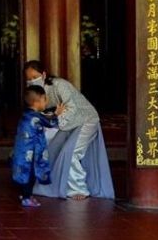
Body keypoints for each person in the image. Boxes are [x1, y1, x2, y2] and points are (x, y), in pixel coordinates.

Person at [23, 60, 109, 200]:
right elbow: (41, 114)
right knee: (53, 149)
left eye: (35, 77)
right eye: (29, 79)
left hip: (86, 119)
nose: (32, 81)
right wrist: (54, 117)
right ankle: (57, 185)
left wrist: (57, 119)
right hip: (67, 123)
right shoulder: (35, 93)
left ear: (44, 74)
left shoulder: (59, 85)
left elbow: (72, 107)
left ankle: (79, 189)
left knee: (73, 152)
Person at [10, 83, 59, 208]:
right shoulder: (35, 116)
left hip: (21, 151)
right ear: (37, 101)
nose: (46, 102)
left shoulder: (26, 114)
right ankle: (26, 198)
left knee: (25, 174)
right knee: (30, 175)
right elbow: (51, 122)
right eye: (44, 99)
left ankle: (25, 195)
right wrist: (57, 114)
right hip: (30, 153)